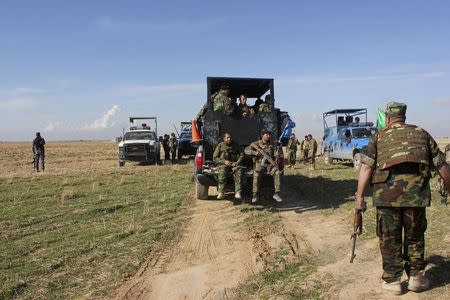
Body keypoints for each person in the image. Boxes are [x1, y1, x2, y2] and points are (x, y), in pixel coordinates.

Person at [355, 102, 450, 295]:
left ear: (388, 118)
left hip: (386, 198)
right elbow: (442, 166)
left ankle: (393, 281)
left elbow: (366, 167)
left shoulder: (379, 136)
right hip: (416, 197)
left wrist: (359, 198)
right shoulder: (422, 134)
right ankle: (416, 278)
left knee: (389, 237)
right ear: (404, 117)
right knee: (415, 236)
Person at [245, 130, 283, 203]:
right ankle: (255, 194)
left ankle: (277, 193)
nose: (268, 136)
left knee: (277, 172)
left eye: (269, 135)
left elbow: (276, 154)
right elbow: (246, 150)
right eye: (267, 134)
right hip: (259, 165)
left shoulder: (272, 145)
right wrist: (254, 152)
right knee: (256, 174)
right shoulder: (256, 143)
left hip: (269, 165)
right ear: (262, 135)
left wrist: (275, 160)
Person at [213, 133, 243, 200]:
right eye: (227, 138)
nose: (229, 139)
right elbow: (215, 158)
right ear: (224, 138)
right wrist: (224, 162)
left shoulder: (236, 145)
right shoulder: (220, 146)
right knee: (222, 171)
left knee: (238, 171)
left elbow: (241, 154)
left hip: (234, 164)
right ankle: (221, 192)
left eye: (230, 137)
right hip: (224, 164)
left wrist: (237, 162)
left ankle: (238, 192)